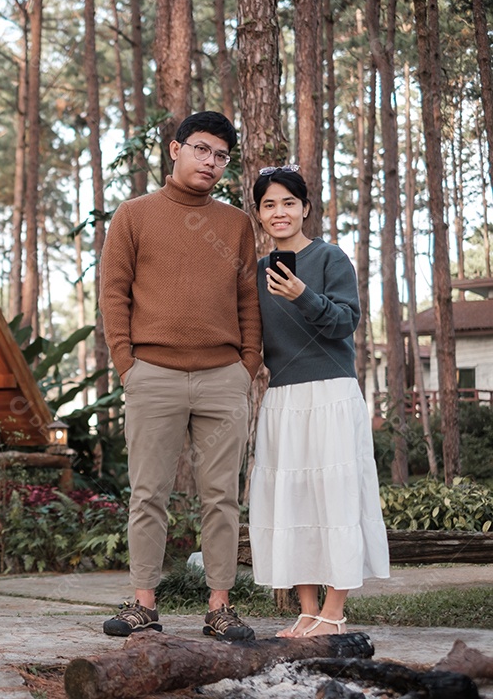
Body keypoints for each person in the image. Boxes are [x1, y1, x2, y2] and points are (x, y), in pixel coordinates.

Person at [100, 111, 262, 641]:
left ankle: (219, 606)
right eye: (201, 149)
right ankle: (143, 603)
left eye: (220, 155)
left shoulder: (237, 225)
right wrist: (128, 366)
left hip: (223, 377)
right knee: (148, 493)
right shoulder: (134, 214)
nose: (210, 162)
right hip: (153, 375)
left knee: (222, 496)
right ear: (175, 149)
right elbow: (114, 294)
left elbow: (247, 300)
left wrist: (246, 367)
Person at [247, 165, 390, 637]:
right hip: (283, 399)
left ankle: (334, 610)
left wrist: (303, 295)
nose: (280, 211)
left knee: (335, 498)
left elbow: (345, 322)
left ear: (305, 208)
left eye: (289, 202)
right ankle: (307, 610)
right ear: (260, 214)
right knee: (294, 501)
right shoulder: (257, 271)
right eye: (269, 204)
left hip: (330, 392)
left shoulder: (330, 258)